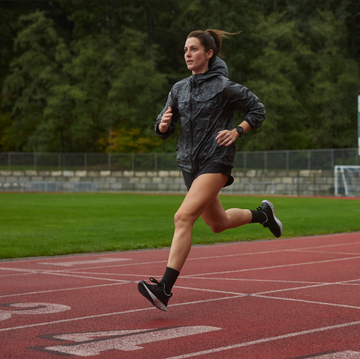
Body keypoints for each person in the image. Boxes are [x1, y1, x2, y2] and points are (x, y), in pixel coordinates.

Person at [138, 29, 283, 312]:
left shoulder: (225, 87)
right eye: (185, 50)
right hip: (188, 164)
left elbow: (257, 109)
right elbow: (161, 125)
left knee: (183, 217)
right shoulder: (178, 88)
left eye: (193, 49)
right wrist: (162, 126)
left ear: (209, 53)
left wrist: (237, 130)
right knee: (218, 223)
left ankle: (164, 289)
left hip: (216, 160)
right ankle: (263, 214)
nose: (187, 54)